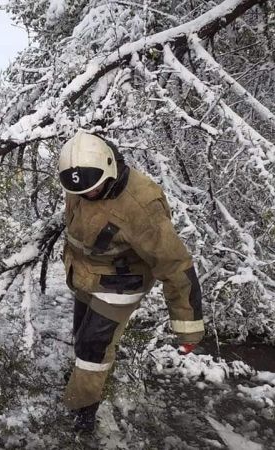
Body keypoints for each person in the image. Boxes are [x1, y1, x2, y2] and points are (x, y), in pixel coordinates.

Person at [58, 131, 204, 432]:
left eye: (94, 190)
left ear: (110, 168)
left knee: (92, 347)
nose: (87, 195)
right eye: (82, 191)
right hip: (85, 274)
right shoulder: (80, 178)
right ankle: (85, 375)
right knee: (81, 334)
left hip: (120, 282)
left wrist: (187, 328)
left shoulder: (142, 207)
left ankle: (82, 408)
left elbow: (175, 265)